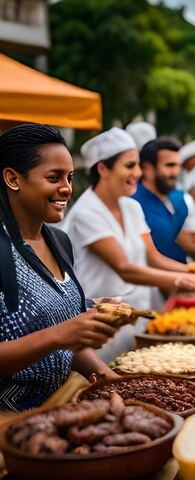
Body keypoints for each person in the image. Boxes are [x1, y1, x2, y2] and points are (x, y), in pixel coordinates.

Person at [62, 130, 195, 361]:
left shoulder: (131, 207)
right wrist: (180, 280)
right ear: (103, 169)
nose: (138, 173)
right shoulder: (87, 212)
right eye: (130, 165)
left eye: (137, 166)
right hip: (103, 324)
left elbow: (152, 256)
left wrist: (194, 272)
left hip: (138, 318)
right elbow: (124, 268)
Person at [0, 124, 118, 412]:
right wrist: (60, 334)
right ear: (13, 179)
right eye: (54, 177)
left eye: (69, 177)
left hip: (62, 405)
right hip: (11, 424)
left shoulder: (59, 241)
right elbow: (61, 335)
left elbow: (71, 342)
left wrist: (114, 384)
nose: (67, 188)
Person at [132, 138, 192, 263]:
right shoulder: (133, 203)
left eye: (178, 166)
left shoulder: (177, 199)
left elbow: (180, 239)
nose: (175, 172)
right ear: (147, 168)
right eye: (170, 165)